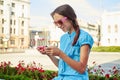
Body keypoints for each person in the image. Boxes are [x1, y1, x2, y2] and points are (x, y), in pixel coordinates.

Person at [37, 4, 94, 80]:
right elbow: (62, 66)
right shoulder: (63, 38)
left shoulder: (84, 37)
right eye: (55, 23)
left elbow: (82, 69)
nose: (58, 26)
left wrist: (60, 53)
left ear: (70, 18)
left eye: (60, 22)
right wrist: (49, 54)